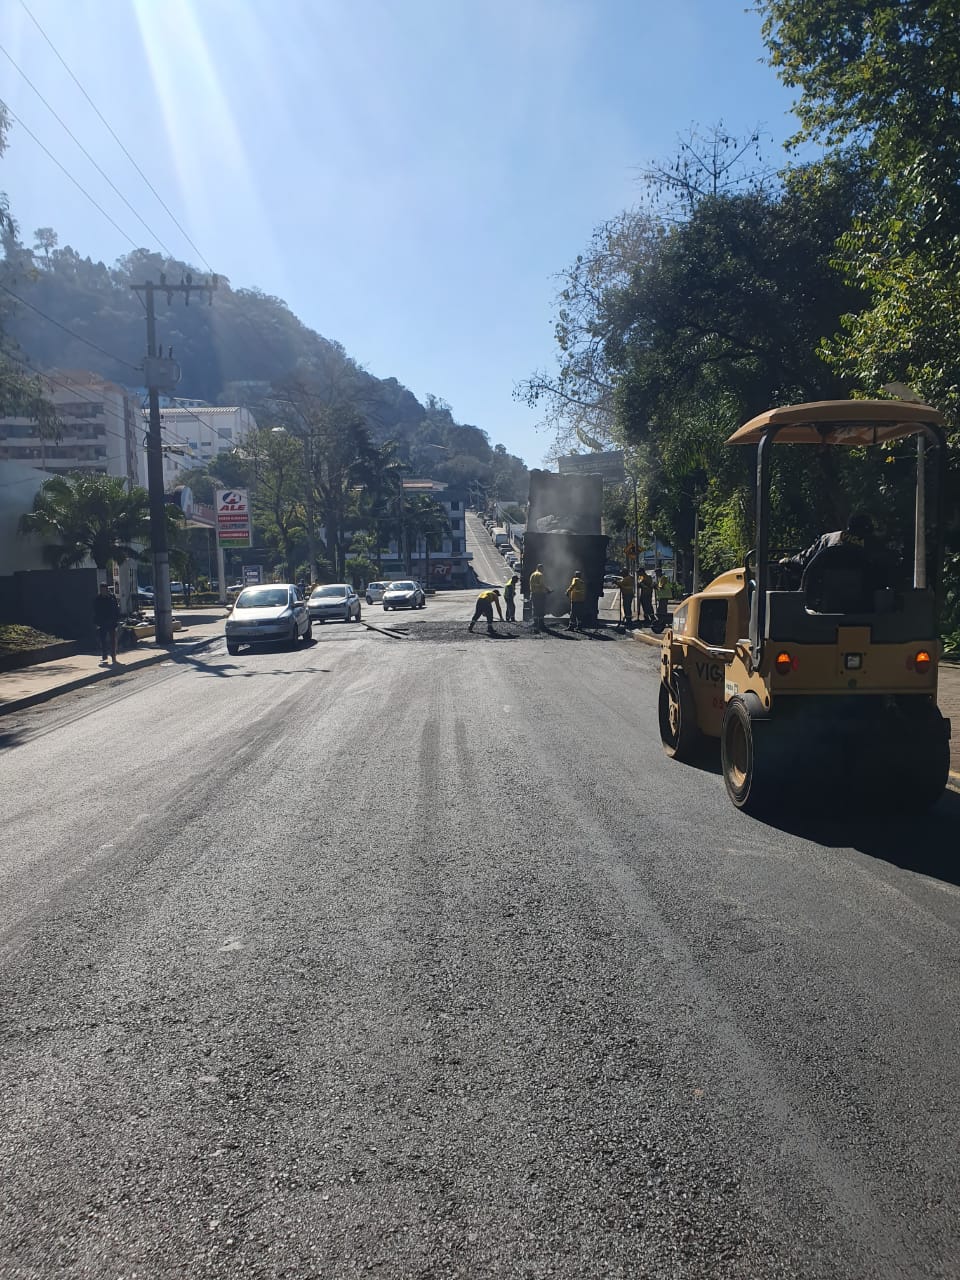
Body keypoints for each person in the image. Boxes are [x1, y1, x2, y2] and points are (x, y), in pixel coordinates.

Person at [783, 511, 876, 574]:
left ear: (848, 527)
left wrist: (788, 561)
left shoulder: (830, 538)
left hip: (825, 598)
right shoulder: (874, 546)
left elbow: (805, 559)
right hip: (865, 599)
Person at [93, 582, 120, 665]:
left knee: (112, 640)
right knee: (103, 639)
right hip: (102, 622)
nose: (103, 591)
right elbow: (95, 611)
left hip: (111, 622)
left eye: (105, 589)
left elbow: (116, 609)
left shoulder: (112, 597)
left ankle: (113, 655)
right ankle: (104, 654)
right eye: (102, 589)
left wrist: (117, 619)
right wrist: (96, 622)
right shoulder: (98, 599)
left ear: (107, 589)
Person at [529, 563, 550, 631]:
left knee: (535, 607)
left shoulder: (532, 574)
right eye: (542, 569)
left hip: (533, 593)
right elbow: (542, 584)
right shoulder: (540, 575)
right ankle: (541, 624)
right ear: (541, 568)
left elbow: (531, 584)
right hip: (540, 594)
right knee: (541, 608)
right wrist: (548, 590)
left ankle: (535, 623)